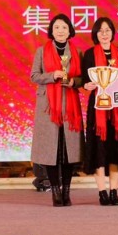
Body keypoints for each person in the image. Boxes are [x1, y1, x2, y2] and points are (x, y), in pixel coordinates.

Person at [30, 13, 82, 207]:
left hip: (70, 105)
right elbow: (34, 76)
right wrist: (53, 75)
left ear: (70, 31)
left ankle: (66, 191)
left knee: (69, 150)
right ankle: (55, 191)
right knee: (50, 150)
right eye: (57, 27)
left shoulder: (77, 52)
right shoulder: (41, 51)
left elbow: (82, 79)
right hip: (48, 107)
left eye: (64, 27)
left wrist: (73, 81)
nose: (60, 31)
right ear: (51, 31)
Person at [79, 16, 118, 206]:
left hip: (117, 109)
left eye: (107, 30)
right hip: (98, 108)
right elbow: (84, 80)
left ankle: (114, 191)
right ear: (95, 34)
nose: (104, 34)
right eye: (100, 31)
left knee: (115, 149)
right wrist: (87, 85)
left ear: (112, 32)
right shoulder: (89, 54)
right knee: (98, 149)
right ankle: (102, 192)